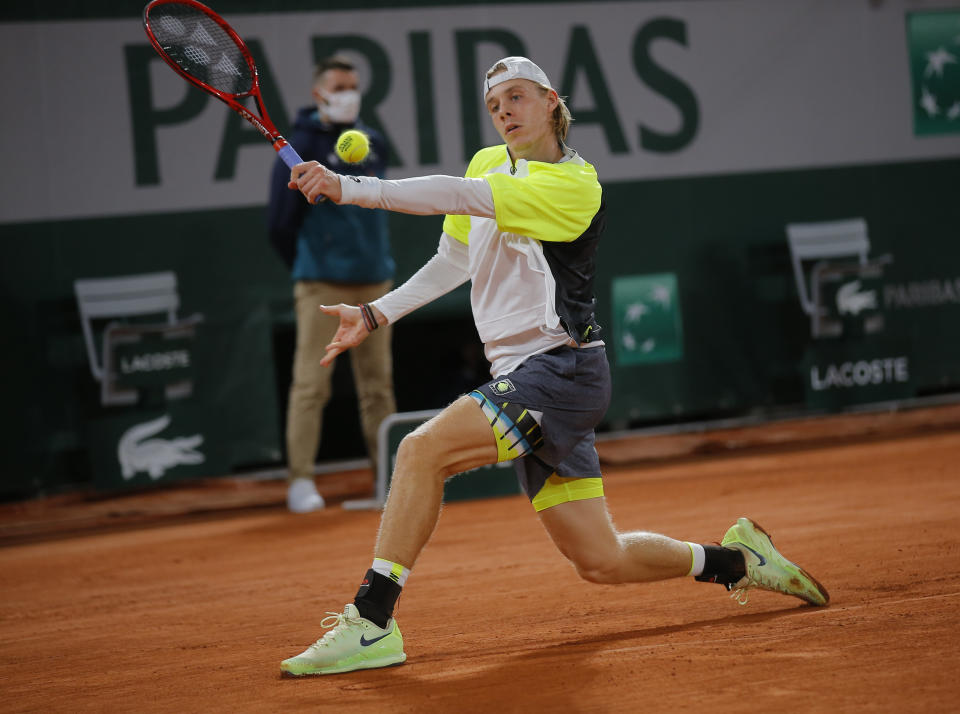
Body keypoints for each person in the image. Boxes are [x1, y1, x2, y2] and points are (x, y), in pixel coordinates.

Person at [279, 56, 829, 676]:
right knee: (601, 560)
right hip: (525, 376)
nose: (504, 113)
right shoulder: (489, 163)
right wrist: (377, 313)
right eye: (494, 105)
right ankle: (737, 560)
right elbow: (454, 259)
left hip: (561, 373)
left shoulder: (575, 183)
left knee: (419, 451)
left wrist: (349, 186)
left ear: (551, 102)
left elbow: (460, 196)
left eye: (516, 98)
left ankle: (373, 620)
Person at [267, 56, 397, 514]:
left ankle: (388, 478)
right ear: (318, 93)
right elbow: (280, 223)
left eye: (354, 86)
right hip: (321, 285)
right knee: (311, 385)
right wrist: (311, 266)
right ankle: (301, 481)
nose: (349, 94)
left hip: (375, 281)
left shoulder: (371, 140)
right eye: (339, 86)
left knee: (378, 387)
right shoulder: (299, 146)